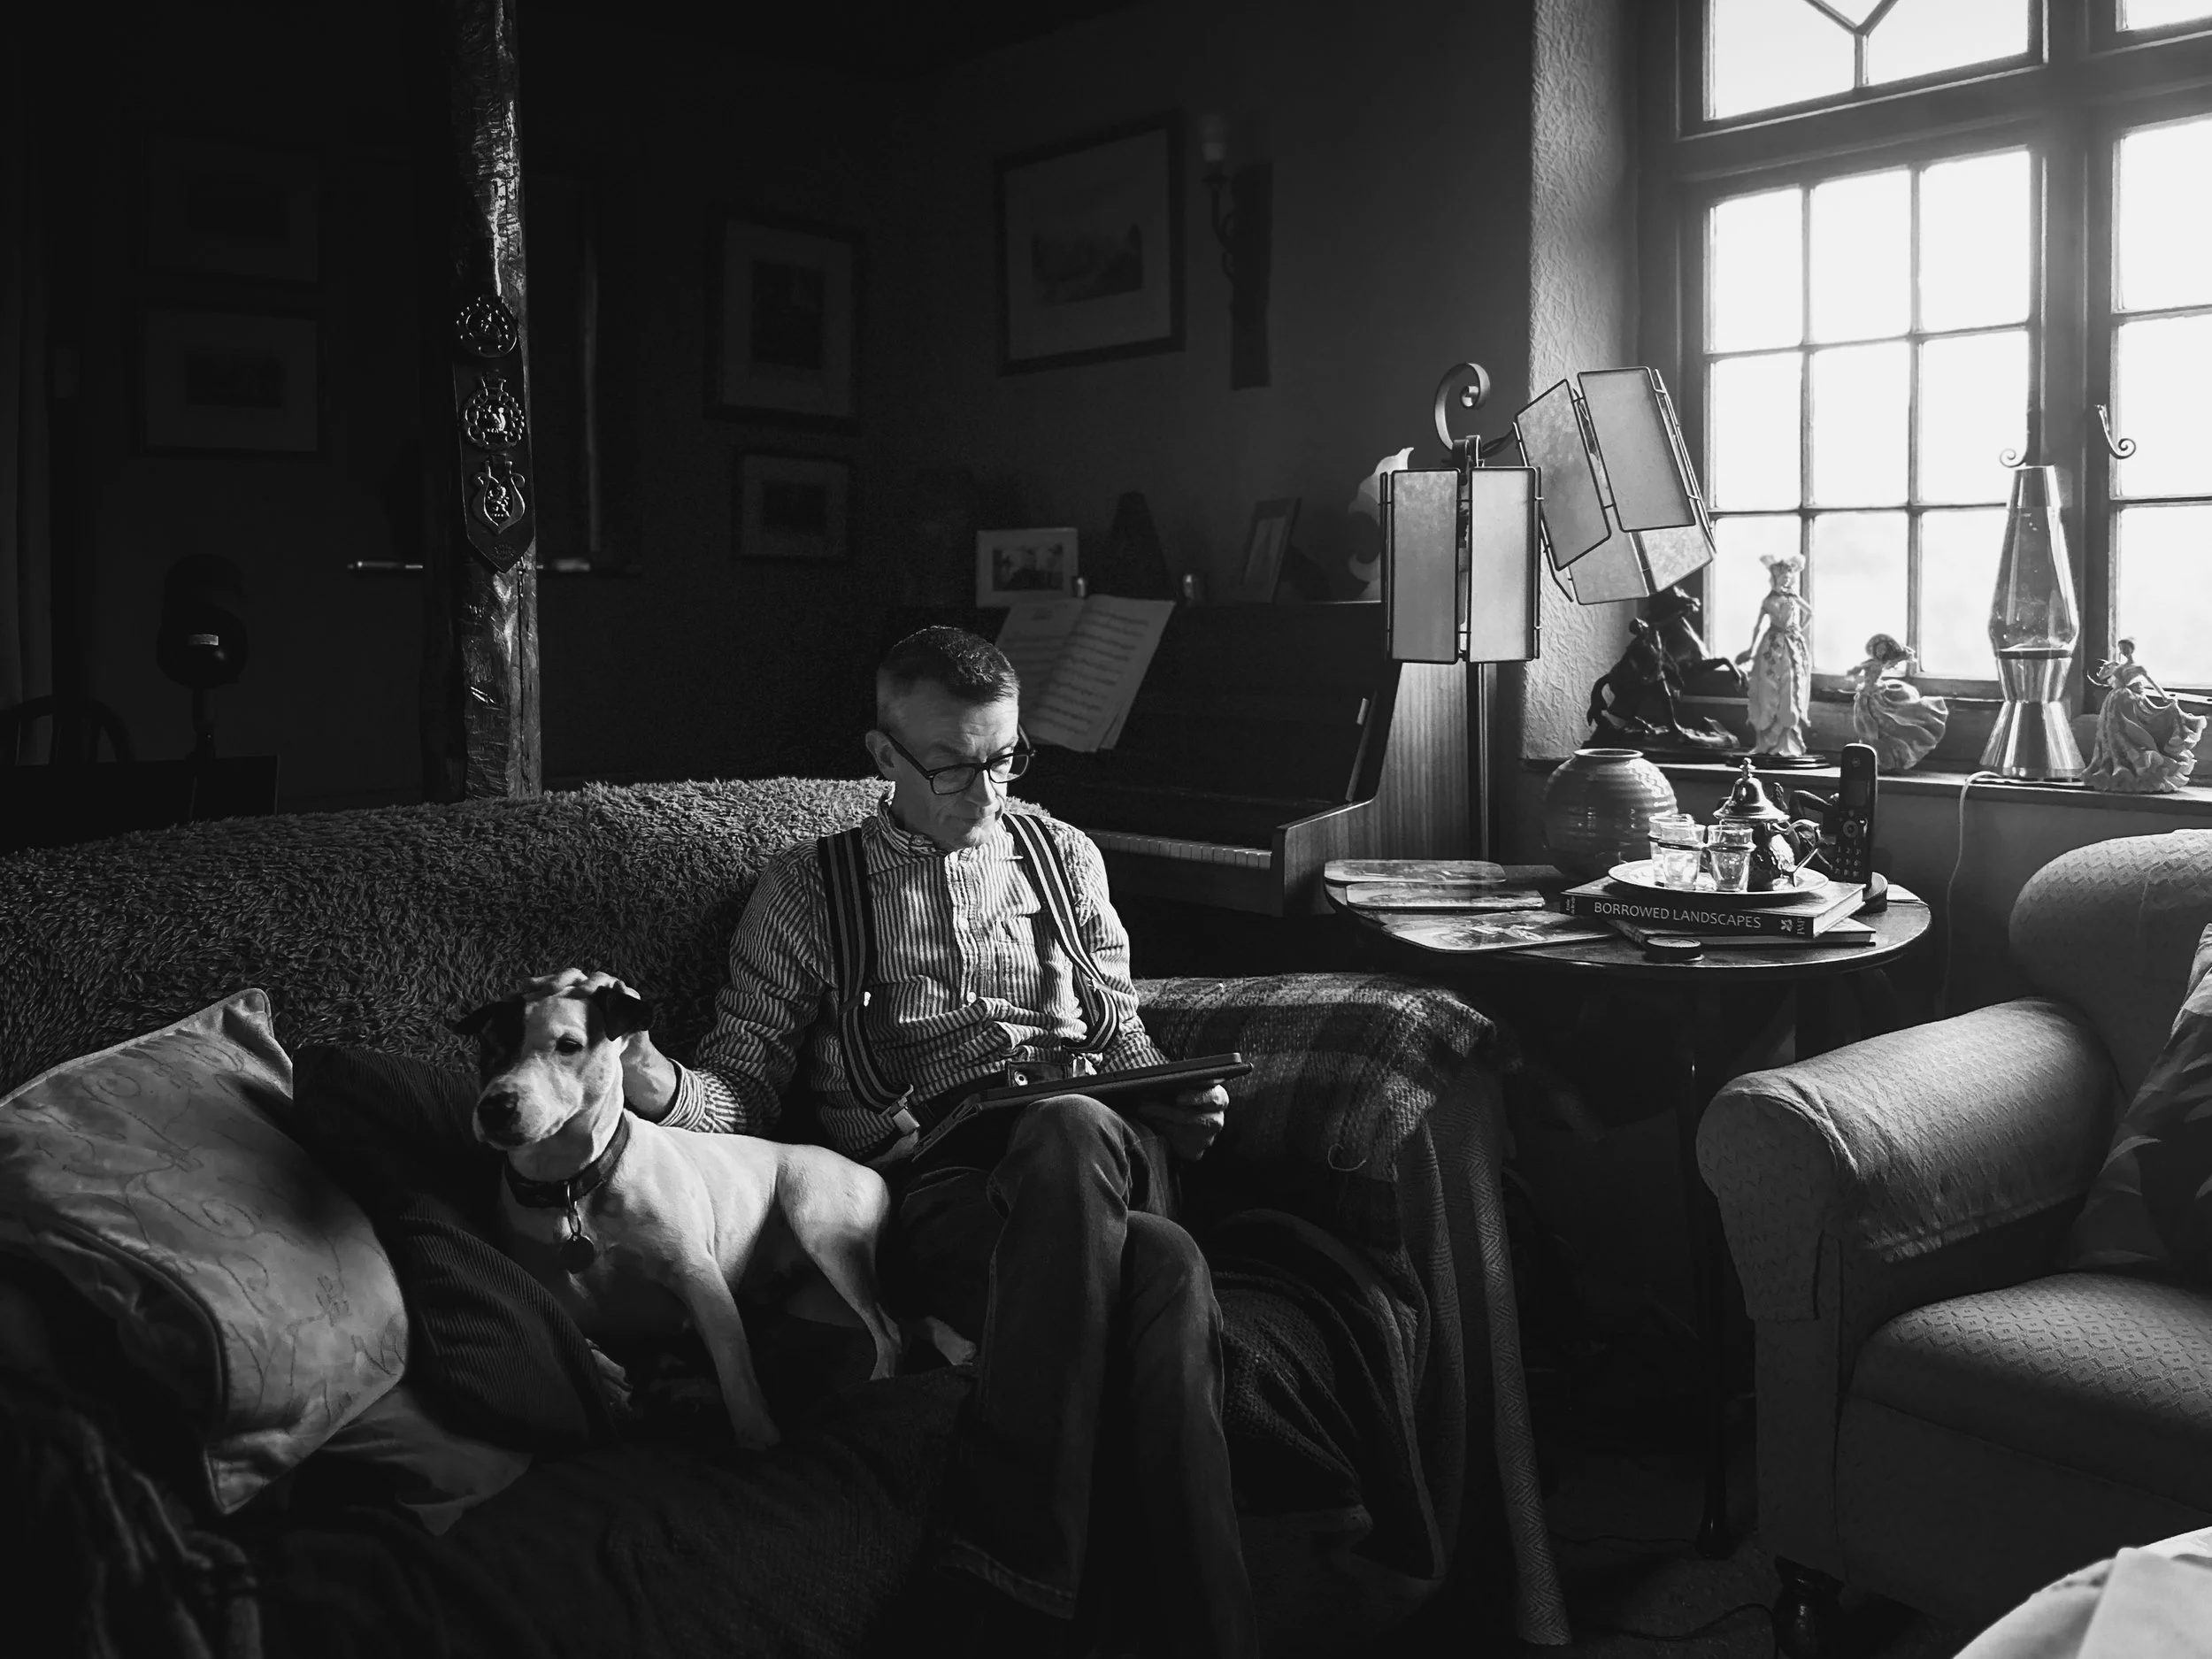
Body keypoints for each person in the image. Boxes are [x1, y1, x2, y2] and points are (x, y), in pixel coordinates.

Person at [556, 626, 1253, 1659]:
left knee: (1073, 1123)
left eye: (1006, 758)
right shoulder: (809, 890)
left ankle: (1016, 1575)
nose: (989, 791)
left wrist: (1179, 1106)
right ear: (884, 755)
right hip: (944, 1194)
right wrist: (657, 1083)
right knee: (1168, 1270)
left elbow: (1125, 1037)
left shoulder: (1065, 856)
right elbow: (746, 1093)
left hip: (1104, 1155)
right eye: (954, 766)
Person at [1736, 551, 1813, 757]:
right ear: (1775, 578)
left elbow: (1810, 613)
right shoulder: (1768, 600)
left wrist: (1798, 629)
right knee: (1768, 688)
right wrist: (1751, 649)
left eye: (1788, 577)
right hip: (1771, 645)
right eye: (1782, 577)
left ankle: (1788, 743)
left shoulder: (1793, 598)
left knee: (1790, 687)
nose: (1785, 580)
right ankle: (1766, 742)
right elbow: (1757, 626)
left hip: (1791, 644)